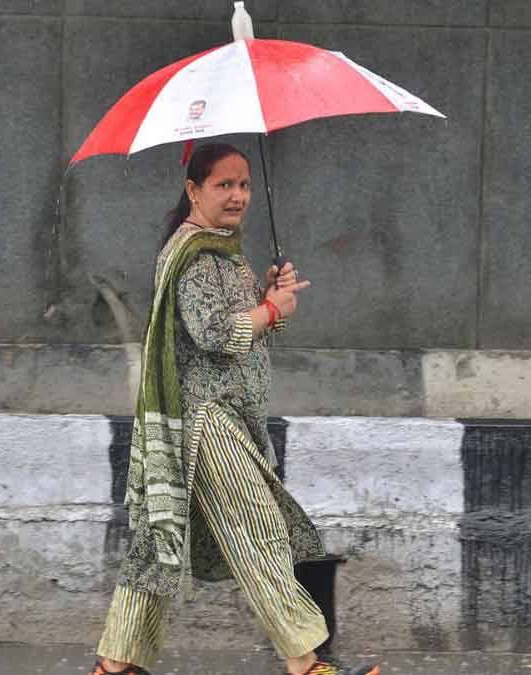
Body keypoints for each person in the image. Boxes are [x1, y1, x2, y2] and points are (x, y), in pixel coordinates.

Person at [91, 143, 379, 675]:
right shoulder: (198, 255)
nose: (238, 195)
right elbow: (215, 333)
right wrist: (271, 309)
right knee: (259, 534)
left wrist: (268, 296)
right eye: (224, 185)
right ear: (193, 190)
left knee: (158, 547)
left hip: (210, 420)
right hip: (208, 424)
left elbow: (238, 328)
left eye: (244, 184)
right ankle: (305, 664)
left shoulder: (220, 250)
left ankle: (114, 666)